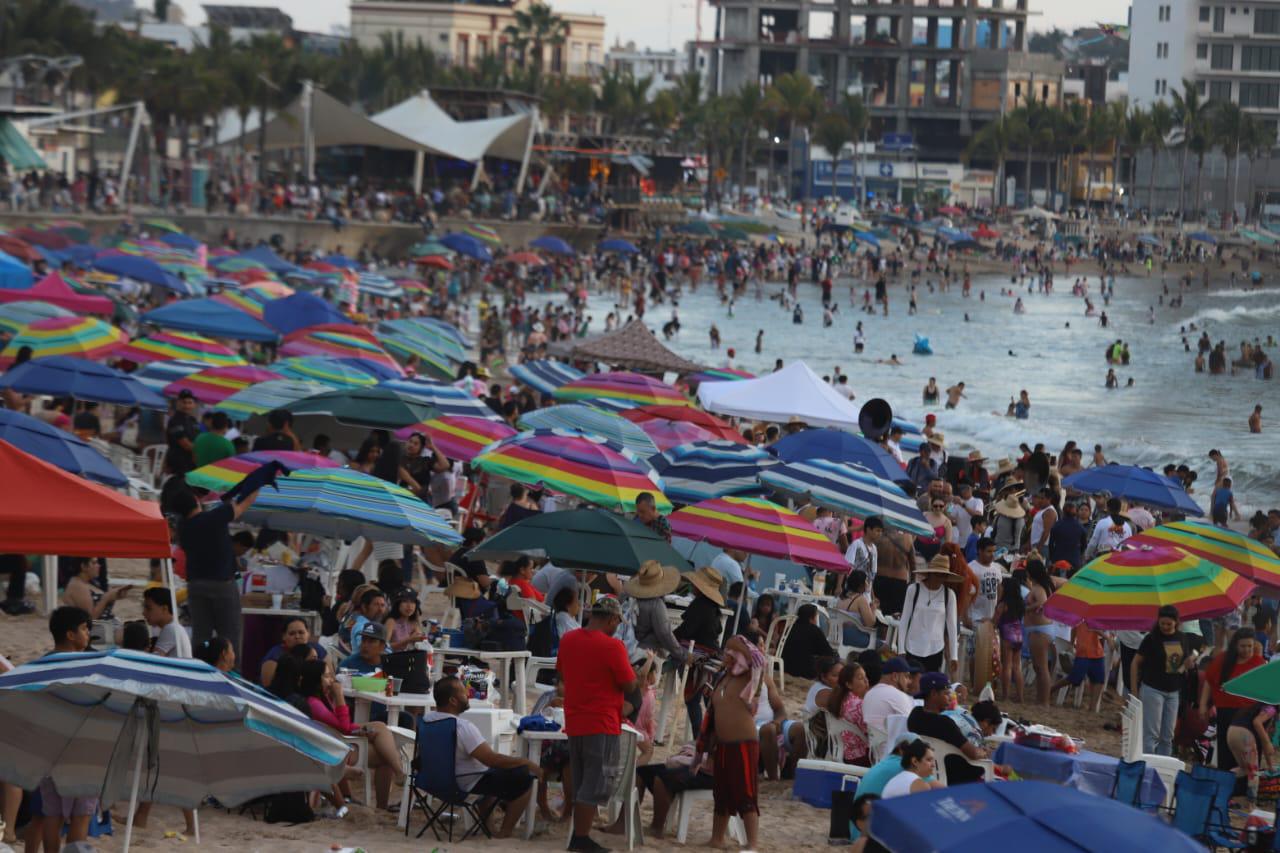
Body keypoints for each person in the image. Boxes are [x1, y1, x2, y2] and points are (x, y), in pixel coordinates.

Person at [556, 595, 637, 853]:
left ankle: (579, 836)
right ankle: (580, 838)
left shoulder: (568, 639)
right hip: (601, 720)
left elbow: (563, 673)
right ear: (612, 619)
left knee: (582, 779)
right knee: (596, 781)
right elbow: (628, 684)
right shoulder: (613, 647)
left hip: (576, 718)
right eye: (617, 622)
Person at [424, 676, 543, 837]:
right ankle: (505, 832)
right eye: (463, 692)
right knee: (525, 777)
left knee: (492, 772)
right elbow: (491, 759)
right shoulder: (462, 727)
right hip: (464, 784)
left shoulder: (426, 721)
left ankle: (488, 825)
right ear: (453, 700)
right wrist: (526, 762)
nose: (468, 693)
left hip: (433, 782)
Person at [298, 658, 404, 810]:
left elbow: (340, 726)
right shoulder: (314, 704)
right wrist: (340, 697)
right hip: (337, 750)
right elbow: (344, 727)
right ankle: (394, 779)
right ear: (316, 679)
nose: (332, 680)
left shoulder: (316, 700)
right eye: (327, 676)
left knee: (379, 727)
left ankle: (397, 772)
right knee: (385, 757)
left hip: (336, 742)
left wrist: (359, 731)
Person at [173, 487, 259, 651]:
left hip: (196, 586)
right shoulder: (214, 518)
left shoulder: (183, 528)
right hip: (221, 586)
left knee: (201, 636)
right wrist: (257, 483)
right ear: (196, 501)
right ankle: (230, 673)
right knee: (229, 637)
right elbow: (244, 504)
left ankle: (199, 671)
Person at [703, 634, 764, 850]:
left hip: (743, 742)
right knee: (721, 793)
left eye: (731, 654)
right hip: (723, 744)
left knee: (745, 794)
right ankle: (716, 838)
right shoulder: (724, 678)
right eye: (726, 654)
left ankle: (752, 843)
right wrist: (708, 750)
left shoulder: (748, 676)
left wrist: (735, 641)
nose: (726, 656)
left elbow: (758, 659)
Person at [1131, 605, 1197, 756]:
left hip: (1173, 690)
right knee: (1151, 734)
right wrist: (1134, 690)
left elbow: (1182, 664)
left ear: (1176, 622)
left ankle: (1162, 768)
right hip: (1152, 688)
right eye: (1162, 624)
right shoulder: (1151, 639)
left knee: (1168, 736)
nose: (1165, 627)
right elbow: (1135, 663)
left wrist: (1189, 663)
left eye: (1169, 624)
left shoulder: (1182, 638)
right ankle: (1148, 764)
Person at [1198, 628, 1265, 774]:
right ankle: (1227, 781)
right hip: (1226, 710)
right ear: (1235, 645)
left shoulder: (1258, 662)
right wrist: (1203, 705)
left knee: (1249, 749)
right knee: (1226, 749)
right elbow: (1209, 681)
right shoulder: (1223, 659)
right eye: (1243, 646)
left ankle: (1248, 785)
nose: (1247, 650)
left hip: (1249, 713)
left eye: (1250, 646)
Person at [907, 672, 988, 783]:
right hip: (953, 776)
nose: (950, 698)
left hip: (926, 771)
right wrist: (984, 752)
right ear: (934, 694)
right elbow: (973, 753)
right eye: (946, 694)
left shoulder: (914, 715)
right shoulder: (944, 723)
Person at [896, 555, 959, 675]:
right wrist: (901, 649)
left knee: (930, 689)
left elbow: (952, 627)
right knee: (911, 685)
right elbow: (904, 620)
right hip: (912, 646)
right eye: (937, 574)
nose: (940, 578)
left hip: (935, 648)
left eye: (943, 575)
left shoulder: (949, 595)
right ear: (930, 573)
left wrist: (954, 656)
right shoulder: (913, 590)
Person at [624, 560, 688, 663]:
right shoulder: (656, 604)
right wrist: (683, 655)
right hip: (642, 654)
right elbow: (665, 634)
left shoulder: (626, 596)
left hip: (625, 647)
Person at [1024, 559, 1062, 705]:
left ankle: (1044, 701)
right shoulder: (1042, 585)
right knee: (1038, 667)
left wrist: (1026, 609)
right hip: (1039, 629)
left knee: (1042, 668)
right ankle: (1041, 699)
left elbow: (1042, 602)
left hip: (1040, 630)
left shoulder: (1040, 588)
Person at [862, 657, 919, 748]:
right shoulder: (898, 695)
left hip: (875, 752)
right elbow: (913, 728)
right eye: (906, 676)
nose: (909, 681)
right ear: (895, 676)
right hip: (894, 752)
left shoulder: (869, 693)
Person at [1227, 702, 1277, 806]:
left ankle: (1220, 782)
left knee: (1244, 769)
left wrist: (1270, 766)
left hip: (1232, 732)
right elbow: (1257, 722)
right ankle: (1252, 805)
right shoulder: (1272, 708)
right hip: (1245, 735)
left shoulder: (1257, 706)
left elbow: (1264, 742)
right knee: (1254, 772)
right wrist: (1268, 743)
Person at [1051, 622, 1107, 708]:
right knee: (1074, 678)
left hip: (1095, 652)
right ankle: (1051, 689)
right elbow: (1092, 628)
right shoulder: (1082, 617)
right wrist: (1072, 643)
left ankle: (1092, 708)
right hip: (1084, 652)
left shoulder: (1093, 617)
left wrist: (1072, 643)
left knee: (1099, 680)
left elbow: (1075, 629)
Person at [258, 617, 327, 685]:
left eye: (301, 632)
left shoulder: (317, 649)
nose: (297, 636)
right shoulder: (275, 655)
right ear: (283, 636)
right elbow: (268, 686)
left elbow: (329, 677)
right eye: (292, 633)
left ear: (308, 633)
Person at [828, 663, 871, 766]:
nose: (866, 681)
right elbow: (871, 732)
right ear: (849, 684)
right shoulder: (857, 705)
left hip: (845, 754)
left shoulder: (841, 699)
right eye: (861, 678)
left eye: (866, 677)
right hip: (861, 757)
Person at [61, 556, 129, 621]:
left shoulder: (88, 583)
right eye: (94, 563)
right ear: (83, 566)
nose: (99, 566)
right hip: (98, 630)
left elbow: (100, 605)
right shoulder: (77, 586)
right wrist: (106, 598)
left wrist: (114, 596)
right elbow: (90, 618)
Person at [781, 603, 836, 679]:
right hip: (805, 670)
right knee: (833, 657)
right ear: (812, 618)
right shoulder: (815, 630)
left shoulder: (791, 627)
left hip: (785, 666)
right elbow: (828, 652)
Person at [994, 577, 1026, 703]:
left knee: (1006, 666)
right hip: (1018, 636)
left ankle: (1006, 696)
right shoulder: (1020, 603)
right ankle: (1020, 697)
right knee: (1017, 667)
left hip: (1007, 635)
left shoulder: (1003, 604)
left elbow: (994, 621)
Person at [141, 587, 190, 658]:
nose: (144, 613)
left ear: (164, 609)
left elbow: (154, 660)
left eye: (148, 608)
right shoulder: (174, 627)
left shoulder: (171, 628)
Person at [966, 538, 1002, 626]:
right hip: (976, 618)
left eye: (994, 551)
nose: (992, 555)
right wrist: (967, 619)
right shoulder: (971, 569)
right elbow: (965, 595)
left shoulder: (997, 567)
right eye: (989, 551)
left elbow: (999, 589)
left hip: (991, 618)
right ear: (980, 551)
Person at [164, 389, 199, 475]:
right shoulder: (175, 421)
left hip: (190, 463)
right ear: (178, 403)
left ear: (194, 405)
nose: (187, 406)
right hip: (178, 464)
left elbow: (198, 439)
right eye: (184, 402)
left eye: (190, 402)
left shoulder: (193, 420)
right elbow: (185, 444)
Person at [1048, 500, 1088, 571]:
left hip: (1058, 558)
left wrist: (1052, 557)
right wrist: (1078, 553)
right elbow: (1084, 545)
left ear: (1063, 512)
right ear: (1076, 513)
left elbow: (1051, 544)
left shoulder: (1057, 525)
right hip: (1074, 560)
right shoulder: (1080, 527)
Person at [845, 515, 881, 586]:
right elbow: (847, 566)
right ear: (868, 529)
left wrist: (872, 595)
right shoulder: (856, 544)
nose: (880, 534)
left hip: (866, 590)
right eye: (877, 530)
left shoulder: (874, 548)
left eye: (881, 531)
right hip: (854, 587)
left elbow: (872, 573)